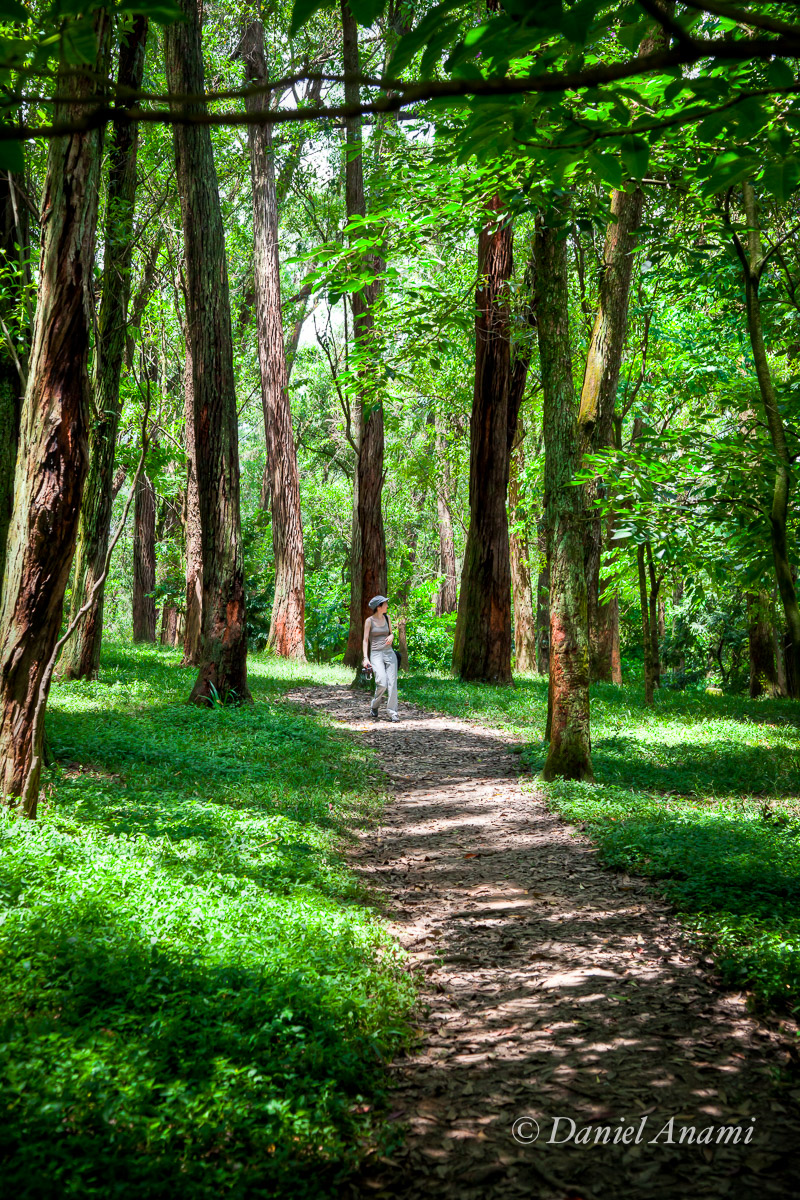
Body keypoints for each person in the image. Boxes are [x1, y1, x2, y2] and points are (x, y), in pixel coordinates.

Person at [362, 595, 400, 722]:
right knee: (382, 682)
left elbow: (391, 632)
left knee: (392, 683)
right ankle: (374, 705)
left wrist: (392, 636)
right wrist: (365, 658)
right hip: (376, 654)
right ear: (379, 607)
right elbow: (365, 640)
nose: (387, 606)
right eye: (385, 604)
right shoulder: (369, 621)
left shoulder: (387, 618)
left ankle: (392, 712)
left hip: (389, 652)